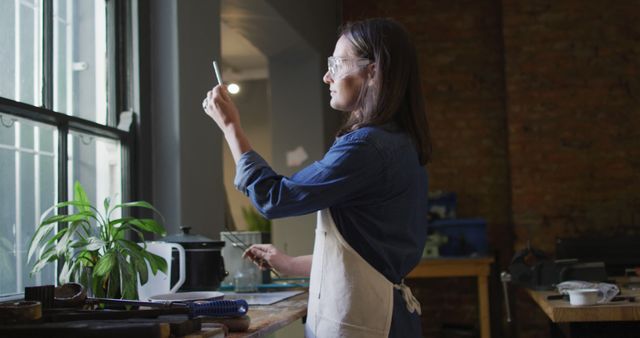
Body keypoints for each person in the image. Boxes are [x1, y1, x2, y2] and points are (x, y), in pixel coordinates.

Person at [203, 17, 431, 338]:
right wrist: (291, 263)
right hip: (388, 317)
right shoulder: (401, 143)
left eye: (337, 64)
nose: (327, 76)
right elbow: (369, 256)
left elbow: (273, 197)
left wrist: (231, 127)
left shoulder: (365, 147)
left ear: (373, 71)